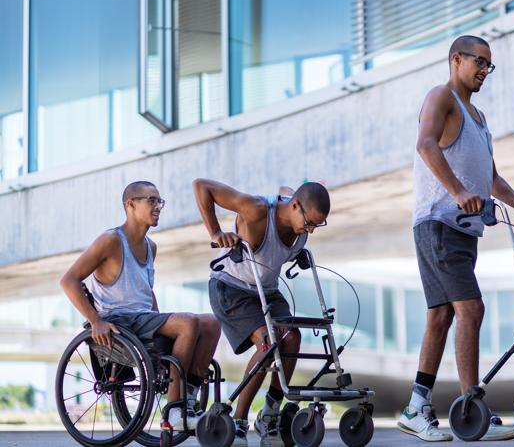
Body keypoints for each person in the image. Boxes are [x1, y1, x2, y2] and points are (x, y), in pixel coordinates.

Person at [397, 35, 514, 442]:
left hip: (463, 230)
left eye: (489, 65)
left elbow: (492, 178)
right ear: (456, 59)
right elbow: (426, 144)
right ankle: (472, 406)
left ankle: (416, 406)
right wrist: (457, 192)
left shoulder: (478, 118)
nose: (484, 70)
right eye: (478, 61)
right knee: (472, 309)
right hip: (439, 223)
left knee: (441, 316)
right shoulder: (441, 96)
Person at [60, 181, 221, 433]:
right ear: (131, 204)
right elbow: (69, 280)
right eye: (152, 200)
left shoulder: (150, 246)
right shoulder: (111, 240)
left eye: (160, 201)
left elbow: (146, 291)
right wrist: (95, 321)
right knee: (188, 321)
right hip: (118, 320)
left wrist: (163, 320)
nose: (158, 206)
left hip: (143, 318)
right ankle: (175, 411)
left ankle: (188, 395)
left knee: (211, 322)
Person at [194, 179, 330, 447]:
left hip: (265, 289)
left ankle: (269, 414)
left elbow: (284, 189)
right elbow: (202, 186)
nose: (310, 231)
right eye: (309, 223)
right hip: (231, 288)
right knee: (269, 344)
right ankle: (239, 422)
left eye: (317, 225)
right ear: (294, 207)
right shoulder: (255, 209)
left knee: (292, 338)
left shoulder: (296, 211)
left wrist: (289, 194)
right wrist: (215, 232)